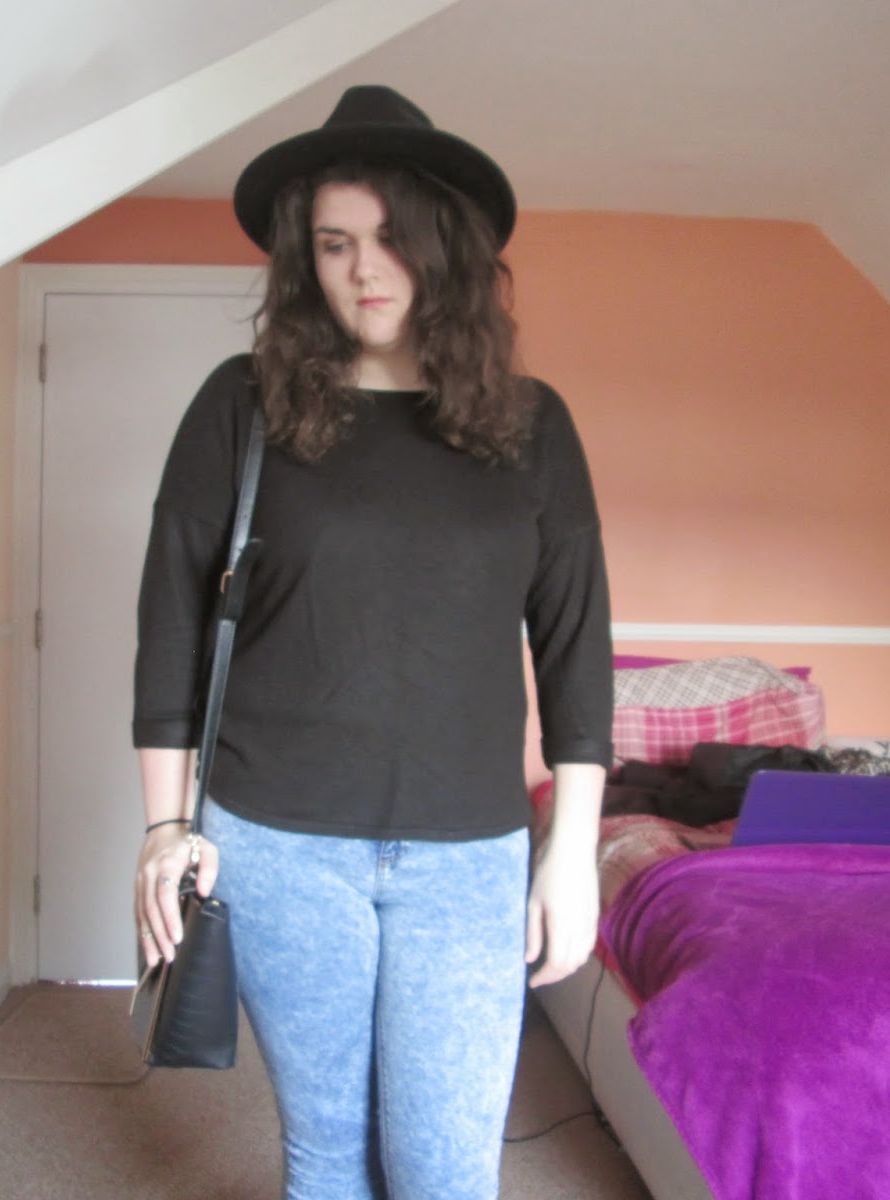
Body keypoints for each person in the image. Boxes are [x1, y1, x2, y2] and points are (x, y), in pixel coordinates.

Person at [130, 86, 612, 1199]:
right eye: (334, 242)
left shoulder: (534, 425)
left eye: (392, 236)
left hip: (467, 855)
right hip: (277, 841)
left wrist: (572, 851)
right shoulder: (241, 406)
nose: (364, 269)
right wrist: (163, 827)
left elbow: (576, 647)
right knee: (329, 1155)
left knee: (445, 1170)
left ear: (446, 248)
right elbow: (171, 623)